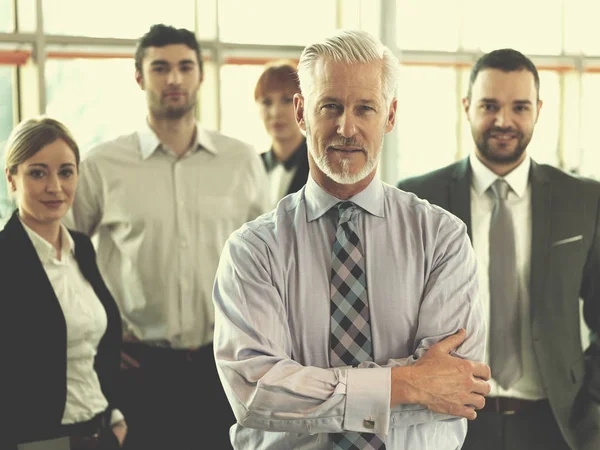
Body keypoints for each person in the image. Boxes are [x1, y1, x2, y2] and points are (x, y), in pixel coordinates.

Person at [213, 29, 491, 449]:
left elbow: (452, 389)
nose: (347, 127)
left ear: (390, 116)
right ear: (302, 112)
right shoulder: (253, 251)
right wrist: (408, 382)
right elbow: (257, 393)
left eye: (365, 108)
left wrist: (305, 389)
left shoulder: (442, 239)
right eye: (331, 107)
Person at [66, 24, 268, 450]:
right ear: (139, 77)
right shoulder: (103, 165)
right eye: (160, 68)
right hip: (139, 369)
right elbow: (65, 254)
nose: (173, 79)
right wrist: (100, 339)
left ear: (200, 74)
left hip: (225, 365)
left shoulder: (241, 160)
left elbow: (267, 260)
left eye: (184, 67)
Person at [397, 48, 600, 450]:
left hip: (557, 424)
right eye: (489, 105)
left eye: (519, 107)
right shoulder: (418, 198)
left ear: (538, 110)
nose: (503, 121)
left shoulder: (583, 200)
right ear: (467, 106)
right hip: (447, 422)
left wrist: (592, 404)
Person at [0, 117, 125, 450]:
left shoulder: (81, 248)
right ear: (12, 179)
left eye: (66, 172)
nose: (55, 187)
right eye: (37, 173)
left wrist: (113, 415)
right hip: (37, 439)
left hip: (99, 432)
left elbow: (96, 348)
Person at [255, 60, 309, 208]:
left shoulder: (320, 166)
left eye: (286, 100)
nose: (276, 112)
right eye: (266, 102)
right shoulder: (252, 165)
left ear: (303, 105)